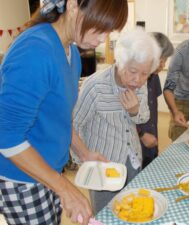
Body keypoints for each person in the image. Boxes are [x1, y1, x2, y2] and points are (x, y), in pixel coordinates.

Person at [0, 0, 128, 224]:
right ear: (72, 6)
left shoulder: (71, 52)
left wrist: (84, 153)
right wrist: (65, 188)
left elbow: (61, 118)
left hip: (48, 170)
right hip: (22, 178)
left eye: (109, 32)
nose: (102, 39)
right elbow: (6, 137)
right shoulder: (36, 51)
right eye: (99, 29)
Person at [72, 28, 161, 213]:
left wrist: (135, 110)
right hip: (104, 169)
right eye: (133, 71)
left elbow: (144, 116)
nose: (137, 80)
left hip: (133, 159)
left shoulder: (141, 85)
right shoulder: (95, 86)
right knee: (106, 214)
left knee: (131, 210)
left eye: (145, 74)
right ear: (120, 62)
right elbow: (74, 124)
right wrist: (83, 158)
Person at [136, 32, 174, 169]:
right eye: (160, 60)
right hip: (135, 141)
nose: (163, 65)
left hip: (151, 139)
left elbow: (153, 110)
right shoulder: (133, 79)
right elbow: (122, 116)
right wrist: (141, 134)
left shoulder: (154, 76)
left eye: (165, 60)